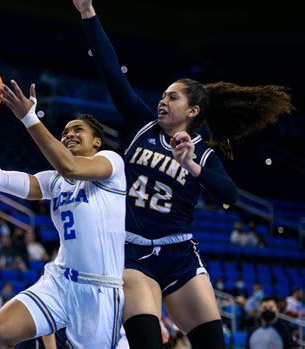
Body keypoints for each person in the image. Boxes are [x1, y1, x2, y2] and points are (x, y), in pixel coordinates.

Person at [72, 1, 294, 348]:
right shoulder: (141, 125)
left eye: (171, 97)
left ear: (191, 110)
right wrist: (88, 14)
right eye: (162, 95)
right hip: (132, 254)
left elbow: (229, 196)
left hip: (179, 257)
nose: (162, 100)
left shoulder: (204, 153)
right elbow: (112, 72)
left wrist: (193, 166)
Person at [0, 78, 126, 349]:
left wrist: (28, 117)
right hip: (59, 281)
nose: (69, 135)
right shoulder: (53, 181)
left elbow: (71, 167)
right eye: (65, 132)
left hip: (99, 290)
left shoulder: (111, 163)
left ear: (97, 142)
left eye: (78, 130)